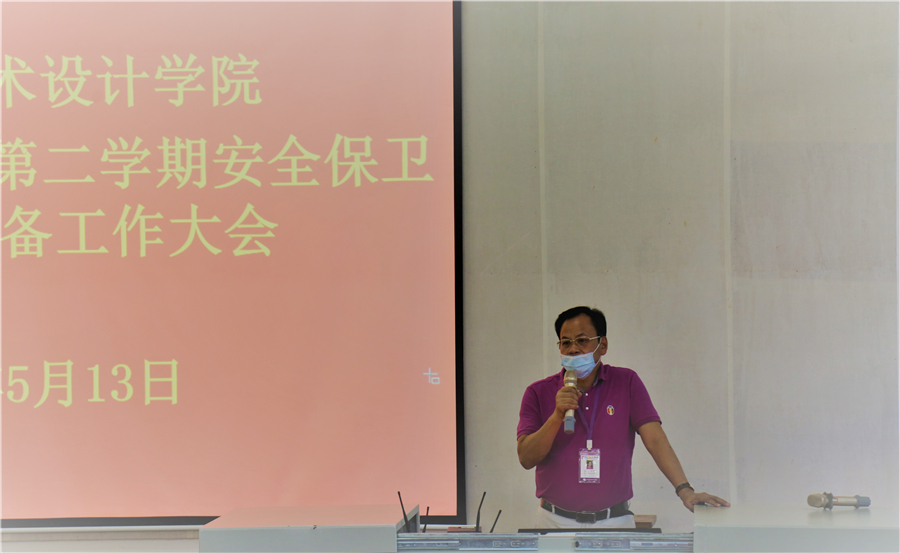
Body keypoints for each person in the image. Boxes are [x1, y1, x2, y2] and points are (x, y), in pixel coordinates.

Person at [517, 306, 729, 528]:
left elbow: (655, 439)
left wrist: (685, 490)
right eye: (566, 342)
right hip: (554, 521)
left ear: (603, 345)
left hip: (613, 521)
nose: (573, 349)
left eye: (582, 340)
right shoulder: (538, 392)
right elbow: (526, 458)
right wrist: (557, 415)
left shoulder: (626, 382)